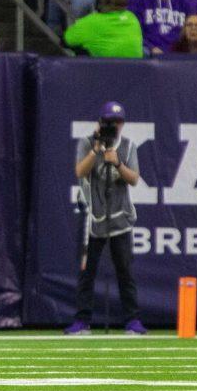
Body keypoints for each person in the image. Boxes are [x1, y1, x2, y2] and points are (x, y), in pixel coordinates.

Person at [67, 102, 145, 336]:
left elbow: (133, 179)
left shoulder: (129, 146)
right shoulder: (87, 143)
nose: (114, 126)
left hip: (120, 218)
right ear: (100, 123)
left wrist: (117, 162)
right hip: (93, 218)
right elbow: (80, 172)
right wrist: (97, 149)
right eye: (109, 122)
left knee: (125, 270)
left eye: (117, 122)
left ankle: (132, 320)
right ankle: (82, 321)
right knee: (87, 271)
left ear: (123, 124)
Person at [64, 0, 144, 57]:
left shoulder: (92, 21)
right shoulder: (132, 17)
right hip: (135, 70)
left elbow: (67, 39)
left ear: (102, 1)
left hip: (105, 70)